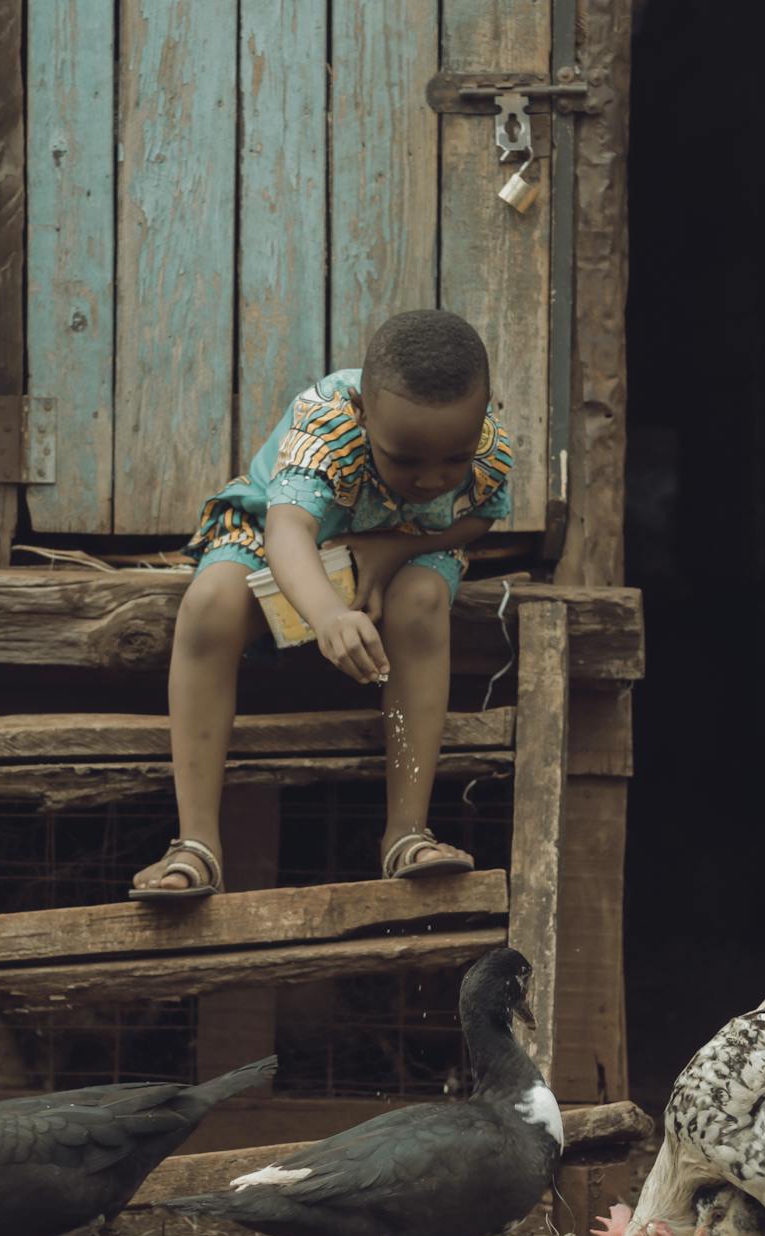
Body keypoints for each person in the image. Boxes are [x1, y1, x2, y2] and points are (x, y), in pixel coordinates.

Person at [129, 309, 513, 900]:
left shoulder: (485, 439)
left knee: (422, 601)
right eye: (405, 460)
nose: (434, 480)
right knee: (210, 605)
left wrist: (389, 551)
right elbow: (288, 532)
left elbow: (482, 516)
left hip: (408, 545)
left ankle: (408, 834)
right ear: (362, 413)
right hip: (281, 539)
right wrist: (329, 616)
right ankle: (196, 844)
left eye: (452, 462)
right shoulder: (326, 422)